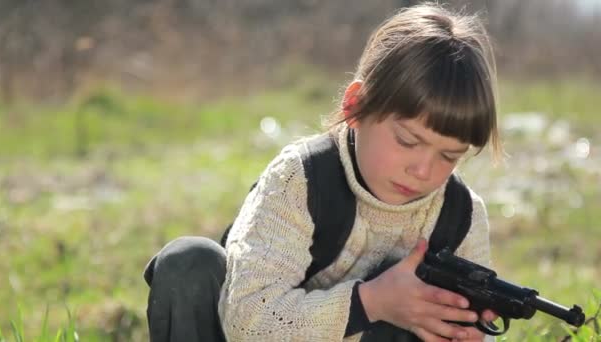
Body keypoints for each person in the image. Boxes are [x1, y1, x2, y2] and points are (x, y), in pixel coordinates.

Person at [144, 2, 503, 341]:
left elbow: (473, 327)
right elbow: (247, 322)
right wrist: (373, 302)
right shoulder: (299, 180)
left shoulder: (460, 216)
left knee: (420, 300)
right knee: (189, 262)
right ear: (356, 106)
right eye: (407, 140)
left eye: (449, 155)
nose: (423, 170)